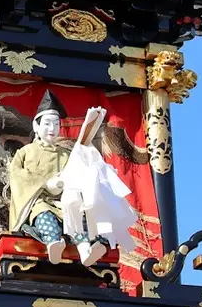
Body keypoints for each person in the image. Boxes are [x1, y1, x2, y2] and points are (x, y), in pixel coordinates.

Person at [57, 106, 139, 266]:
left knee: (101, 227)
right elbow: (80, 145)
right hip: (77, 205)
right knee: (78, 228)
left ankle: (98, 247)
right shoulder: (73, 161)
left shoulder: (98, 167)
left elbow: (83, 144)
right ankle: (86, 251)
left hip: (95, 205)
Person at [8, 90, 71, 263]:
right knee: (44, 215)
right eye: (47, 124)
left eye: (56, 124)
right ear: (36, 126)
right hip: (36, 202)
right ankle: (53, 243)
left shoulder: (66, 154)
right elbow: (16, 174)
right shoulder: (25, 152)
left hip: (63, 204)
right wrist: (44, 184)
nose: (52, 129)